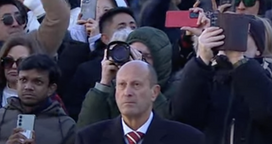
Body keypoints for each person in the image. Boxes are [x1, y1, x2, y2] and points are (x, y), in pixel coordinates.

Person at [75, 60, 205, 144]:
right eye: (122, 85)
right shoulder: (88, 139)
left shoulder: (187, 139)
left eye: (136, 84)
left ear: (154, 92)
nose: (127, 92)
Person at [0, 54, 76, 144]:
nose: (28, 87)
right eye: (23, 80)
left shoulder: (65, 127)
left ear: (51, 88)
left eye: (38, 82)